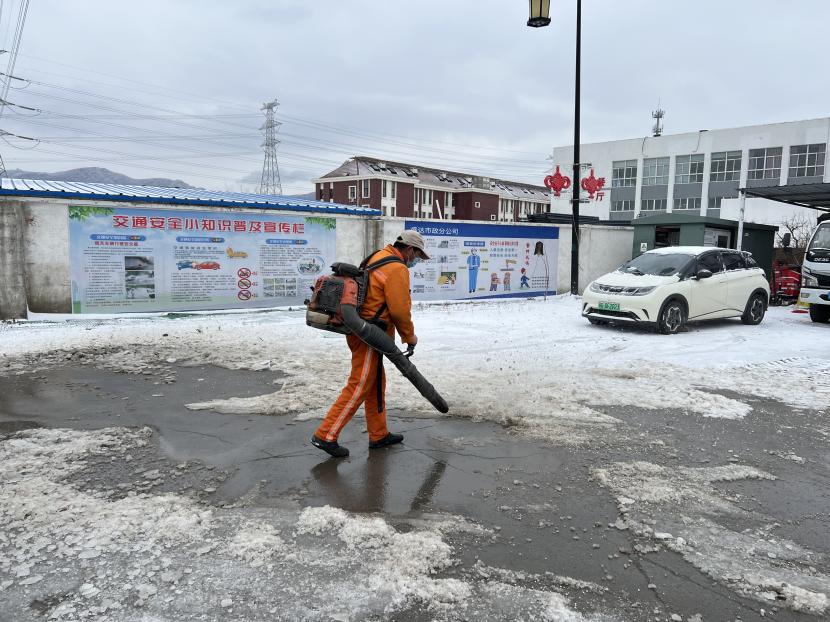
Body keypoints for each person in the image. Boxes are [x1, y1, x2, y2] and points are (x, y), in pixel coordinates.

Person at [311, 230, 429, 458]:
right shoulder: (397, 268)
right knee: (361, 382)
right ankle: (325, 435)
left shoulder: (377, 256)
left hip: (364, 329)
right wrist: (409, 337)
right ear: (409, 249)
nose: (415, 260)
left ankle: (379, 434)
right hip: (369, 333)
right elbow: (400, 310)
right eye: (416, 255)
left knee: (375, 382)